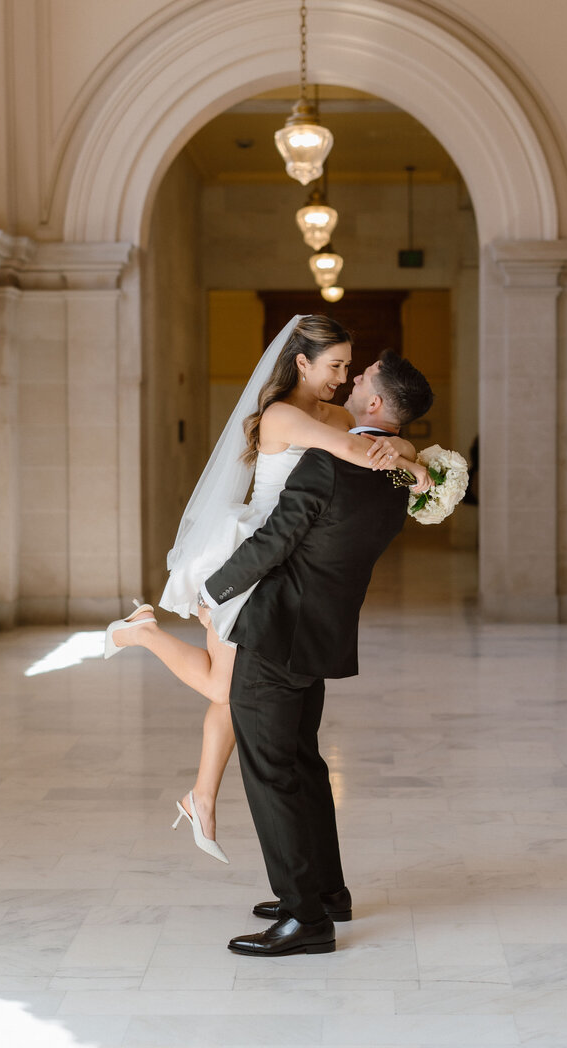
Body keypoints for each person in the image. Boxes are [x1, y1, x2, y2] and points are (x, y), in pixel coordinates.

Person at [103, 315, 429, 863]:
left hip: (282, 563)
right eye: (335, 365)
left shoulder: (333, 413)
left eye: (351, 367)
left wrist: (408, 456)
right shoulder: (282, 413)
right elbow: (353, 454)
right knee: (224, 690)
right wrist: (416, 469)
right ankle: (144, 635)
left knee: (229, 690)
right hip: (252, 550)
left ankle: (200, 797)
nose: (344, 378)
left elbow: (376, 438)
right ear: (301, 362)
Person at [196, 349, 434, 956]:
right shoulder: (399, 474)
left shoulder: (326, 464)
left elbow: (274, 543)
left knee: (273, 771)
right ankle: (327, 891)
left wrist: (212, 591)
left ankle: (306, 918)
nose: (352, 382)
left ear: (375, 404)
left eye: (362, 380)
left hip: (277, 631)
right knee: (302, 763)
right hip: (323, 633)